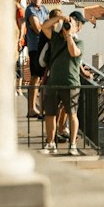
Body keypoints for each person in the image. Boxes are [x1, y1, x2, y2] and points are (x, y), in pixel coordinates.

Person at [41, 9, 91, 156]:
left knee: (72, 114)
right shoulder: (56, 39)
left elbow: (74, 53)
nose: (69, 26)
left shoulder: (79, 42)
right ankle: (50, 143)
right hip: (53, 82)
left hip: (71, 84)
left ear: (77, 28)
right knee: (50, 114)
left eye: (73, 25)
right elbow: (44, 27)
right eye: (68, 25)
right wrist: (61, 18)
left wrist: (69, 36)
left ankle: (73, 145)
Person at [23, 0, 49, 118]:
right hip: (35, 47)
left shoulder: (44, 9)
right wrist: (47, 25)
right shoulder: (30, 10)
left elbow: (46, 25)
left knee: (40, 78)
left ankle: (37, 108)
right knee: (35, 78)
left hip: (44, 46)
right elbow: (37, 28)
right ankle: (32, 108)